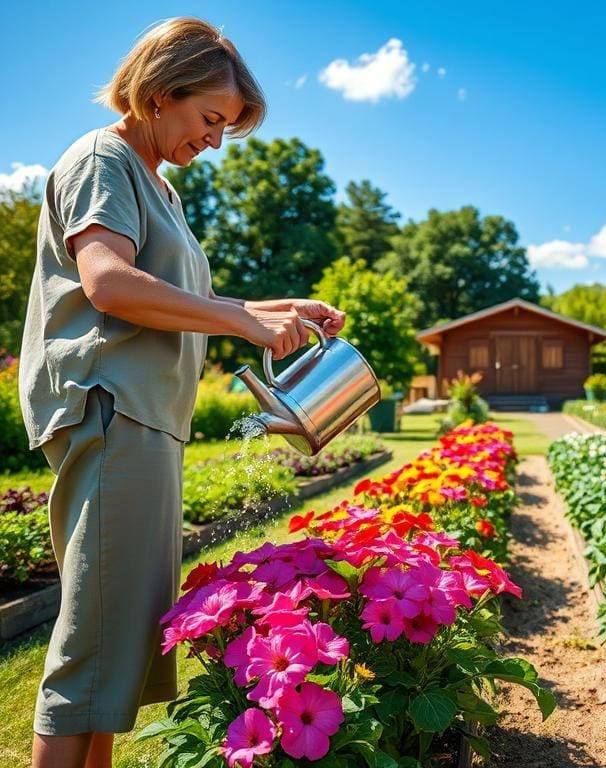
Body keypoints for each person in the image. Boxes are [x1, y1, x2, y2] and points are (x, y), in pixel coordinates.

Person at [18, 17, 344, 768]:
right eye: (210, 120)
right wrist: (242, 321)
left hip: (145, 419)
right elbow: (109, 283)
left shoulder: (156, 184)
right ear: (162, 93)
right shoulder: (104, 158)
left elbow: (178, 296)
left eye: (226, 128)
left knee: (114, 645)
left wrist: (278, 311)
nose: (215, 141)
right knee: (89, 646)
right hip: (112, 409)